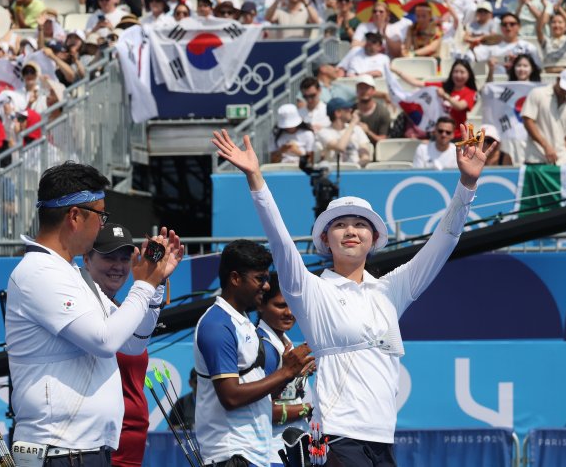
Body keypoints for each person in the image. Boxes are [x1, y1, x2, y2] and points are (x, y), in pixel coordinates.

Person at [211, 125, 495, 467]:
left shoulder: (392, 288)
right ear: (325, 238)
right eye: (340, 224)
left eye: (360, 224)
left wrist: (467, 185)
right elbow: (280, 240)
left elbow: (444, 241)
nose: (350, 231)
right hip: (336, 436)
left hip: (383, 440)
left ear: (373, 238)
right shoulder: (311, 290)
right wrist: (256, 178)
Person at [6, 162, 183, 466]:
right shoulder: (39, 272)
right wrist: (142, 284)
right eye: (101, 215)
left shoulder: (72, 273)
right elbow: (104, 341)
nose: (103, 224)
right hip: (59, 454)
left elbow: (133, 342)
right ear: (74, 216)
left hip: (82, 452)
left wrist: (154, 286)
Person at [193, 239, 313, 467]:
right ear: (235, 278)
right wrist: (286, 372)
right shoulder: (217, 324)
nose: (266, 286)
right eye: (260, 279)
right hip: (231, 454)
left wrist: (291, 374)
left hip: (254, 454)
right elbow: (230, 397)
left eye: (266, 278)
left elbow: (262, 396)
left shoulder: (243, 323)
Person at [84, 223, 150, 467]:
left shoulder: (124, 311)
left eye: (124, 258)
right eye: (109, 257)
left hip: (133, 447)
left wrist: (157, 281)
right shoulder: (83, 313)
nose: (118, 266)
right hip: (99, 446)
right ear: (86, 259)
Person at [258, 271, 314, 467]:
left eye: (293, 306)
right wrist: (309, 409)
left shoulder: (285, 343)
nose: (290, 312)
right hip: (272, 453)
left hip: (294, 449)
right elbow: (261, 408)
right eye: (281, 305)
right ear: (261, 305)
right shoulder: (263, 346)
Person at [521, 69, 566, 165]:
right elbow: (528, 121)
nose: (564, 91)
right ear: (557, 79)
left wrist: (560, 154)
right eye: (563, 87)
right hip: (536, 159)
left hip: (561, 161)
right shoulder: (537, 93)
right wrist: (546, 146)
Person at [316, 97, 372, 167]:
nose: (350, 110)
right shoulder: (323, 132)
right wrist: (353, 123)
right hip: (335, 173)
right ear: (338, 113)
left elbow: (365, 155)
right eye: (347, 109)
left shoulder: (357, 129)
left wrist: (357, 167)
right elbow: (340, 147)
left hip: (356, 171)